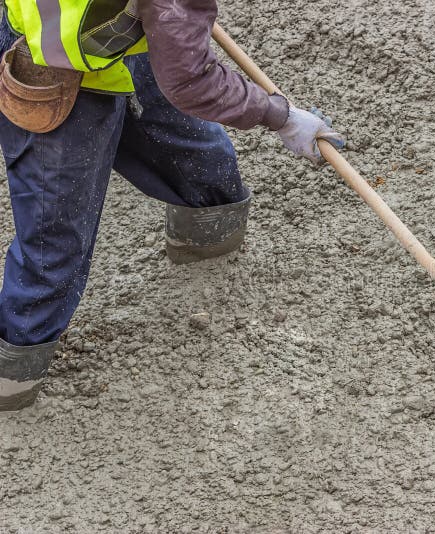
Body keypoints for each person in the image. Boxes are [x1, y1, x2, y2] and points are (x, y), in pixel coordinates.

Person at [0, 0, 345, 411]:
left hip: (107, 36)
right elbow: (192, 82)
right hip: (47, 64)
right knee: (52, 241)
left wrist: (165, 23)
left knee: (198, 159)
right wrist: (281, 117)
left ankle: (206, 234)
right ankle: (12, 373)